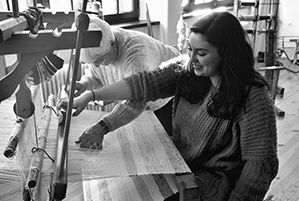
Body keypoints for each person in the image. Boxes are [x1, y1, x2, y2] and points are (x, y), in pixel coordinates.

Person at [58, 11, 278, 200]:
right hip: (182, 162)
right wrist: (91, 95)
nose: (191, 59)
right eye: (190, 50)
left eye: (201, 53)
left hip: (215, 180)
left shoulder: (254, 98)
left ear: (227, 54)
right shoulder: (187, 70)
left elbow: (259, 167)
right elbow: (144, 83)